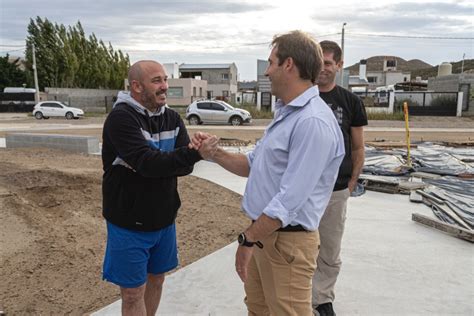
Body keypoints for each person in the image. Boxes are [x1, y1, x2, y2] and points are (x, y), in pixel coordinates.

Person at [191, 31, 345, 316]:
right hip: (267, 236)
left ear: (289, 65)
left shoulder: (312, 122)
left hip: (287, 244)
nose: (266, 70)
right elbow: (253, 164)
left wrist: (247, 239)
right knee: (258, 310)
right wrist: (213, 152)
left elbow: (288, 201)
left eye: (271, 62)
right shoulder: (287, 113)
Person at [101, 60, 217, 316]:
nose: (164, 86)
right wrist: (189, 155)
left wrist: (188, 154)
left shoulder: (173, 118)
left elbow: (183, 167)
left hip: (164, 220)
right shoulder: (121, 119)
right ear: (136, 86)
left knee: (157, 279)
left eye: (165, 79)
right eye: (156, 81)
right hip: (128, 223)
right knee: (132, 294)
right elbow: (148, 163)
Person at [311, 41, 368, 316]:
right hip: (303, 190)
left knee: (329, 250)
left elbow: (357, 146)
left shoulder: (350, 102)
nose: (322, 68)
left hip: (335, 191)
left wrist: (352, 181)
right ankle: (299, 297)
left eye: (328, 63)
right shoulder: (302, 97)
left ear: (340, 65)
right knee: (299, 246)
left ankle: (322, 299)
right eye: (318, 62)